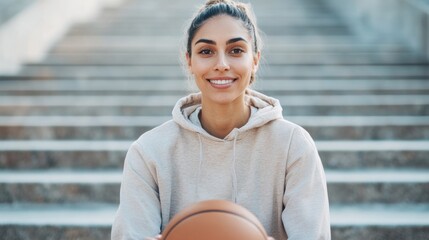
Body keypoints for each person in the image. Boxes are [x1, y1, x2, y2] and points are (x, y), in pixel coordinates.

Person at [111, 0, 331, 239]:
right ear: (189, 61)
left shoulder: (293, 145)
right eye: (206, 51)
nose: (222, 65)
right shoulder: (149, 152)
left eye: (236, 50)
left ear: (255, 60)